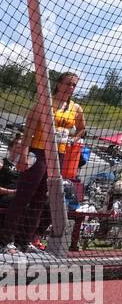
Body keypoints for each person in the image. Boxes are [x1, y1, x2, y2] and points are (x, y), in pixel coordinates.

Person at [4, 71, 85, 251]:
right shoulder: (44, 103)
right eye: (68, 83)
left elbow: (82, 129)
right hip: (39, 151)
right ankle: (5, 241)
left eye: (74, 85)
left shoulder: (76, 108)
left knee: (40, 199)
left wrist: (73, 140)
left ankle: (24, 242)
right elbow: (29, 131)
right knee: (24, 196)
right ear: (58, 84)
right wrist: (24, 154)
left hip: (59, 155)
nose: (70, 88)